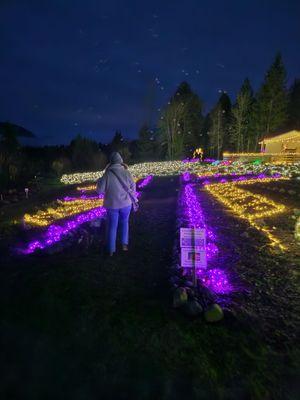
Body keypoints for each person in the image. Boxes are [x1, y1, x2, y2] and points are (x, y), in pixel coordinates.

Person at [96, 152, 136, 256]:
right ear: (121, 161)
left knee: (112, 226)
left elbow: (99, 190)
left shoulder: (107, 174)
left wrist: (99, 180)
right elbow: (133, 186)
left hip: (112, 205)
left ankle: (111, 250)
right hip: (126, 204)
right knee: (125, 223)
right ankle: (124, 245)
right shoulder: (127, 172)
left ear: (111, 162)